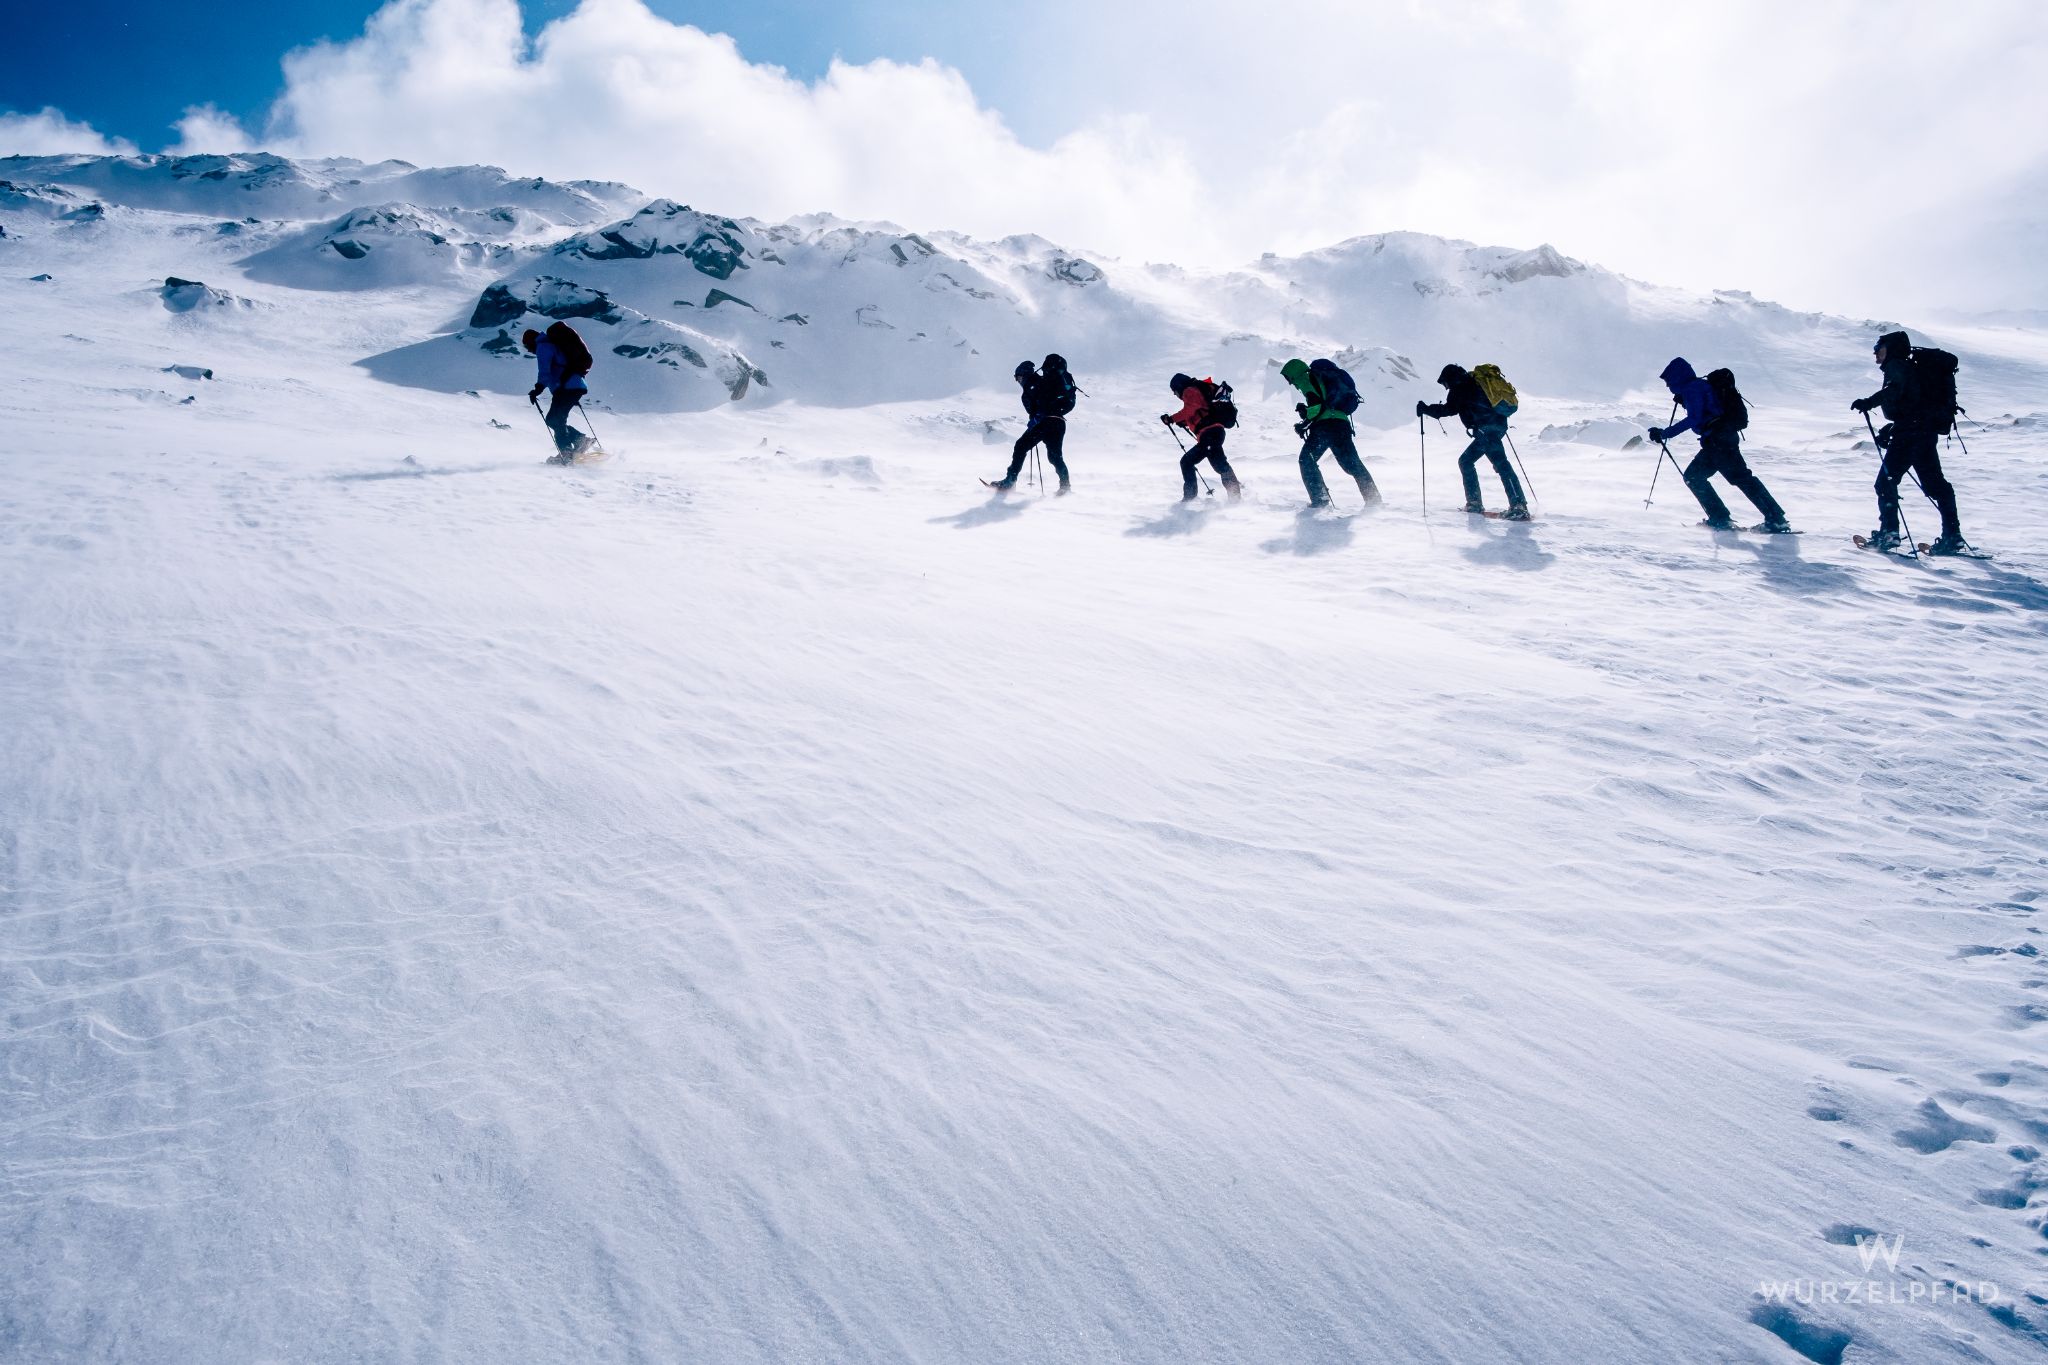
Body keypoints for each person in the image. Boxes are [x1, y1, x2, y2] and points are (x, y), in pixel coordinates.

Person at [1851, 330, 1966, 554]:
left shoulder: (1897, 366)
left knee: (1885, 483)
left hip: (1910, 435)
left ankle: (1889, 533)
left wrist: (1868, 402)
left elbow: (1893, 391)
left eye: (1879, 351)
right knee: (1936, 486)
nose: (1876, 357)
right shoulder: (1911, 369)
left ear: (1891, 349)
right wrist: (1892, 428)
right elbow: (1912, 405)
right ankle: (1953, 536)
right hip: (1923, 432)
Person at [1646, 358, 1789, 532]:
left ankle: (1772, 519)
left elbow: (1695, 418)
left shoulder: (1693, 388)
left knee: (1737, 478)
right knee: (1696, 477)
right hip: (1719, 440)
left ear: (1677, 378)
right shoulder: (1697, 387)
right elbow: (1707, 410)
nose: (1668, 386)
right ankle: (1724, 517)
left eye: (1669, 382)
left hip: (1718, 441)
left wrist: (1665, 433)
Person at [1418, 364, 1528, 520]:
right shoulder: (1475, 383)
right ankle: (1514, 504)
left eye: (1446, 383)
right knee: (1496, 464)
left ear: (1452, 379)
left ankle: (1512, 506)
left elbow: (1449, 409)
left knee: (1470, 461)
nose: (1446, 387)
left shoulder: (1460, 388)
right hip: (1496, 427)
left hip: (1485, 431)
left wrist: (1426, 409)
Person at [1280, 358, 1378, 509]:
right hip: (1341, 424)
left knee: (1306, 460)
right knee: (1352, 465)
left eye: (1288, 378)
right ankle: (1374, 499)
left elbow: (1317, 406)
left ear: (1294, 373)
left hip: (1326, 427)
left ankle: (1320, 500)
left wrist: (1304, 416)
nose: (1290, 383)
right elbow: (1322, 405)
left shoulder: (1306, 379)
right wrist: (1305, 422)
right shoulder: (1322, 378)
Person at [990, 355, 1073, 494]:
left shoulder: (1033, 385)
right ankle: (1065, 486)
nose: (1019, 381)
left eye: (1019, 378)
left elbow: (1041, 405)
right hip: (1058, 423)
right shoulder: (1044, 382)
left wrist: (1036, 418)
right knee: (1055, 457)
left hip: (1045, 422)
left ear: (1024, 375)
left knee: (1021, 446)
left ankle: (1010, 481)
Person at [1160, 373, 1242, 502]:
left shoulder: (1189, 390)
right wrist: (1184, 421)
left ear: (1179, 386)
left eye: (1174, 391)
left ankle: (1190, 498)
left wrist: (1171, 418)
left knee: (1187, 462)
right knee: (1219, 464)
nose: (1175, 395)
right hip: (1214, 432)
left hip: (1209, 433)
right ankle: (1235, 496)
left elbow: (1191, 408)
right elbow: (1200, 410)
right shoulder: (1197, 390)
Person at [523, 327, 590, 463]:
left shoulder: (543, 347)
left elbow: (545, 371)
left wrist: (538, 389)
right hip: (573, 386)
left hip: (567, 388)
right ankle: (579, 442)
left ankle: (568, 451)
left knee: (555, 420)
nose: (529, 350)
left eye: (527, 347)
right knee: (555, 419)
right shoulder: (551, 345)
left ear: (531, 342)